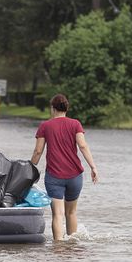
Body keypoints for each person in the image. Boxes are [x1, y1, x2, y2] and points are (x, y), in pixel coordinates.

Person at [31, 93, 98, 241]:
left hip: (54, 177)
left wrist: (29, 167)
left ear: (52, 108)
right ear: (66, 108)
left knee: (58, 214)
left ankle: (58, 247)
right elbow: (82, 145)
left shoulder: (45, 126)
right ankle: (72, 245)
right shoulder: (75, 124)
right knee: (72, 213)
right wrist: (93, 167)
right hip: (75, 176)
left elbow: (38, 151)